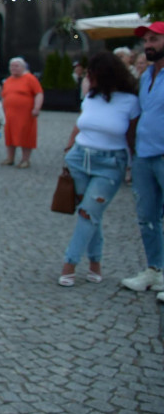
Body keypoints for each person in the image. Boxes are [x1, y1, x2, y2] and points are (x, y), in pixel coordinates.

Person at [58, 52, 140, 287]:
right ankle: (95, 263)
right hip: (80, 159)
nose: (87, 77)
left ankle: (69, 263)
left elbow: (131, 136)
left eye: (92, 73)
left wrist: (133, 167)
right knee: (90, 213)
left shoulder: (130, 102)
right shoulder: (91, 97)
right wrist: (69, 147)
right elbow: (81, 124)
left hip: (110, 164)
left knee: (88, 213)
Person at [121, 22, 164, 297]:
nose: (148, 45)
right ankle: (155, 269)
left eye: (154, 39)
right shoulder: (147, 75)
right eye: (146, 40)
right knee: (147, 217)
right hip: (144, 155)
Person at [1, 57, 43, 168]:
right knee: (9, 135)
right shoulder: (8, 80)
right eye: (12, 66)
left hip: (25, 114)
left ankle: (25, 160)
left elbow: (39, 93)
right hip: (10, 114)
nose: (14, 68)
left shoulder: (30, 78)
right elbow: (4, 96)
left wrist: (37, 108)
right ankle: (10, 158)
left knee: (26, 135)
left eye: (16, 66)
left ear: (23, 67)